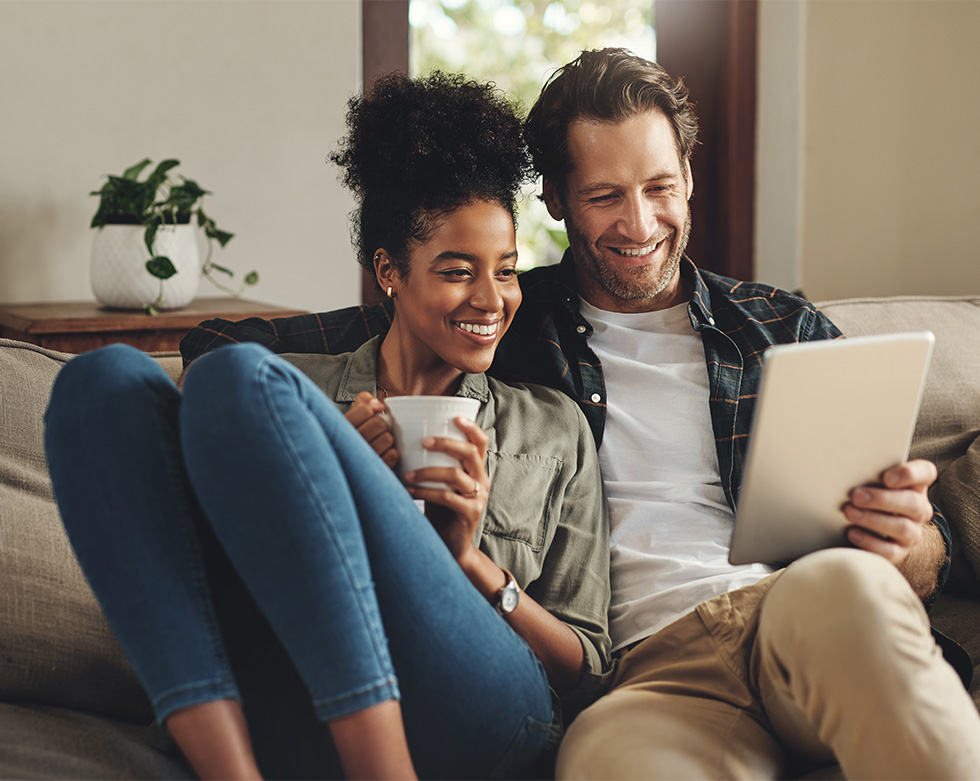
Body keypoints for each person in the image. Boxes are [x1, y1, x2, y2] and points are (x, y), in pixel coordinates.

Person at [179, 50, 980, 778]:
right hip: (644, 681)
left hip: (801, 615)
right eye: (605, 196)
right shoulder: (503, 319)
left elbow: (929, 549)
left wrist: (909, 539)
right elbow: (226, 352)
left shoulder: (780, 326)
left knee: (850, 589)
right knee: (602, 763)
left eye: (659, 187)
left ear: (688, 176)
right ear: (557, 200)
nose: (639, 223)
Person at [44, 71, 611, 781]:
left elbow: (588, 667)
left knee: (236, 373)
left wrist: (470, 562)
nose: (491, 299)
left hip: (479, 706)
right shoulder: (290, 396)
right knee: (98, 382)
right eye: (457, 271)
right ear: (389, 271)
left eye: (507, 271)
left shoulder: (553, 428)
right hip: (291, 693)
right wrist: (334, 469)